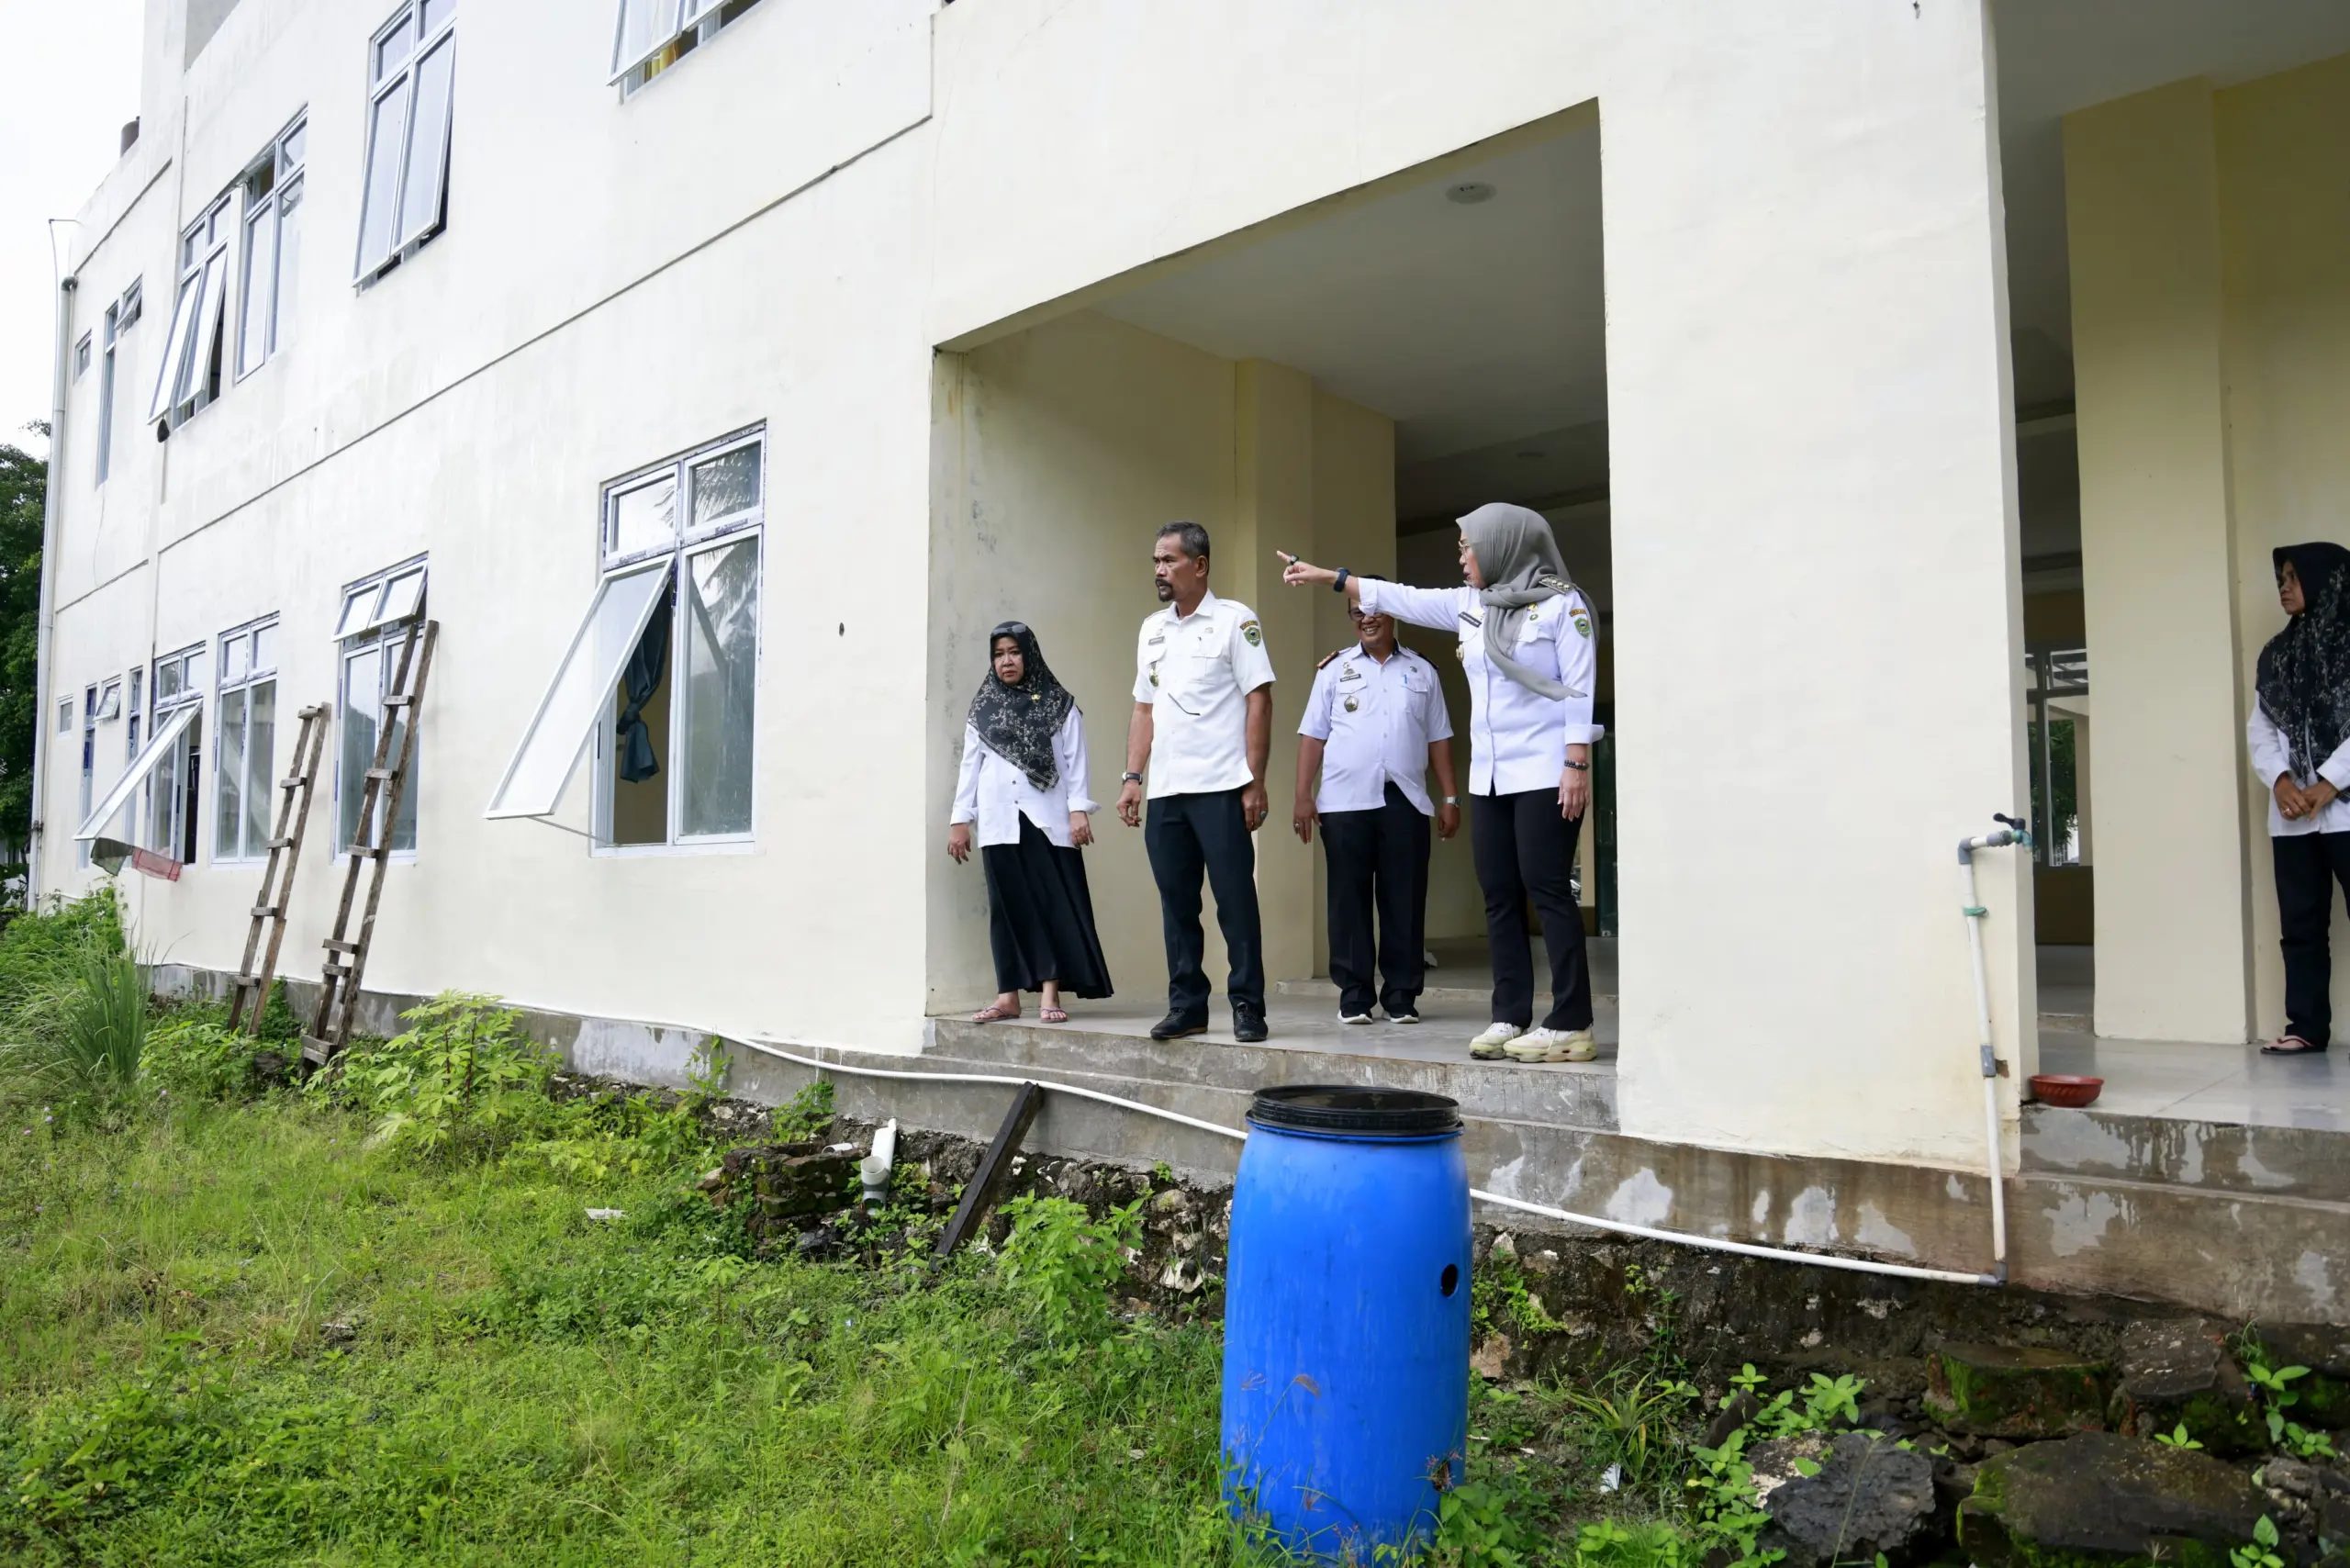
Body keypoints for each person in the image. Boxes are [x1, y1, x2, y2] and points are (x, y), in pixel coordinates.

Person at [1279, 502, 1603, 1064]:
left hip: (1546, 771)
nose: (1460, 556)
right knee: (1499, 896)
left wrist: (1577, 763)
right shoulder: (1472, 606)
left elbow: (1579, 685)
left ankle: (1571, 1020)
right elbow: (1402, 596)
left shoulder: (1561, 604)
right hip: (1493, 775)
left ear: (1502, 545)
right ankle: (1509, 1014)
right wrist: (1332, 578)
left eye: (1466, 546)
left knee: (1547, 888)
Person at [1116, 521, 1277, 1042]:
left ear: (1200, 565)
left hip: (1222, 785)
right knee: (1177, 903)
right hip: (1165, 791)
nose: (1159, 570)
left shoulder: (1236, 621)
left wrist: (1254, 780)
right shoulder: (1151, 629)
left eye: (1169, 560)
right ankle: (1188, 1005)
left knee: (1235, 899)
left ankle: (1248, 1005)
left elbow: (1259, 698)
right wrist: (1132, 777)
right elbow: (1144, 708)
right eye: (1156, 561)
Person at [1292, 581, 1460, 1025]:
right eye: (1356, 613)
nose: (1366, 619)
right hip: (1344, 801)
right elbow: (1312, 737)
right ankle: (1354, 996)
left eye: (1373, 610)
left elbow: (1439, 738)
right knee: (1347, 899)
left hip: (1404, 798)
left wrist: (1450, 797)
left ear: (1392, 613)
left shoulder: (1423, 671)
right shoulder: (1333, 671)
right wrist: (1302, 797)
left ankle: (1402, 995)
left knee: (1404, 897)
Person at [948, 622, 1113, 1023]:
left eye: (1014, 652)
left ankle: (1050, 995)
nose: (1007, 661)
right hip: (997, 817)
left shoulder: (1059, 703)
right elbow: (970, 766)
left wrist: (1079, 811)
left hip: (1046, 818)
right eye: (999, 654)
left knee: (1050, 902)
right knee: (1005, 909)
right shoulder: (983, 708)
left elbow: (1075, 762)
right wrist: (960, 819)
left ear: (1030, 654)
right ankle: (1007, 996)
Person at [2249, 543, 2350, 1056]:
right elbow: (2261, 729)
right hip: (2292, 816)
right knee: (2300, 925)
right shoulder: (2277, 655)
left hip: (2346, 811)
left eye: (2293, 576)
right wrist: (2284, 781)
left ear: (2327, 580)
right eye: (2281, 577)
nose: (2284, 585)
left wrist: (2329, 781)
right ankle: (2307, 1027)